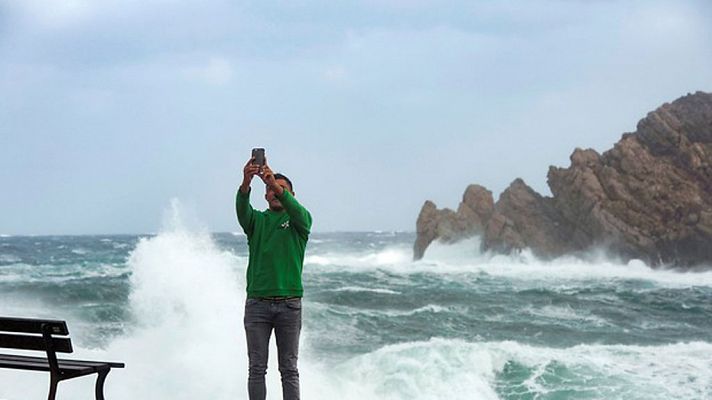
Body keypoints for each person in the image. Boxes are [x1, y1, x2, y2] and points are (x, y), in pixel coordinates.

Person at [236, 155, 312, 400]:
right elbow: (242, 210)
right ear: (265, 196)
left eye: (281, 190)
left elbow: (300, 213)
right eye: (269, 189)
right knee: (256, 368)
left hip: (289, 304)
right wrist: (247, 181)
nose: (275, 193)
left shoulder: (299, 221)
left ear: (290, 195)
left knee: (289, 369)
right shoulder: (257, 221)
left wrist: (273, 181)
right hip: (257, 304)